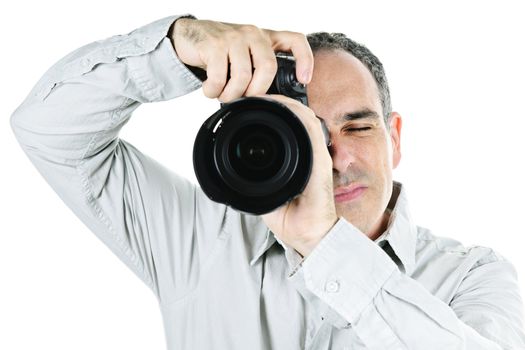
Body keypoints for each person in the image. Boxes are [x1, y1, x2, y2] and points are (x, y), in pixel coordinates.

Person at [10, 13, 525, 349]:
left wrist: (324, 244)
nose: (334, 158)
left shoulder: (473, 278)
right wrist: (175, 51)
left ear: (395, 137)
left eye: (359, 126)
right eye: (309, 135)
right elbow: (47, 128)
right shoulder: (198, 241)